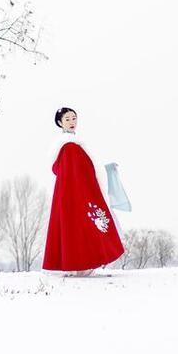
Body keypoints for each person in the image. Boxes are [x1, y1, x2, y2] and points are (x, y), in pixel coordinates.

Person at [42, 107, 127, 276]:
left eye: (74, 118)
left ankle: (82, 266)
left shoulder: (75, 145)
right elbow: (74, 174)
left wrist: (105, 170)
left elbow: (85, 169)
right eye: (67, 119)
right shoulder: (69, 147)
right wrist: (84, 191)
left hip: (77, 194)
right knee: (81, 227)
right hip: (77, 195)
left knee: (80, 228)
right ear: (60, 123)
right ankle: (80, 266)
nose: (72, 122)